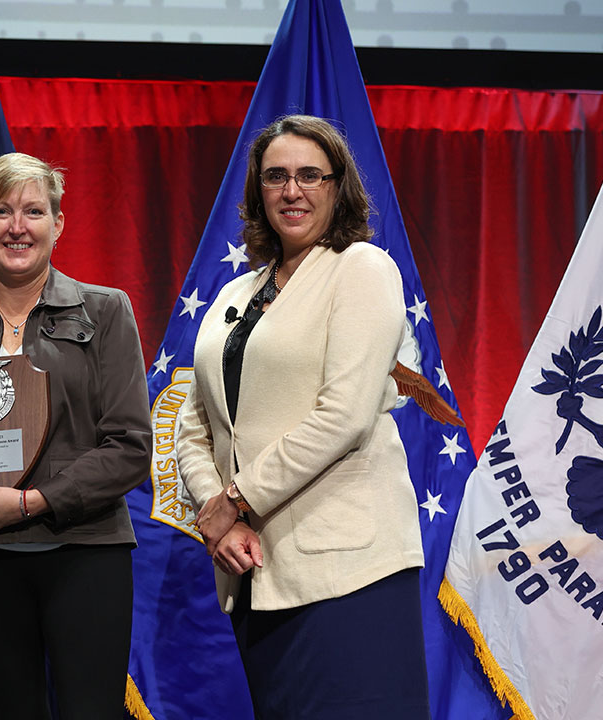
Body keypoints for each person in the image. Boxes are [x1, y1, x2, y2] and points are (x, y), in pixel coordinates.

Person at [176, 115, 431, 719]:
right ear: (258, 193)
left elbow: (342, 416)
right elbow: (196, 423)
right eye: (276, 177)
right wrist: (219, 517)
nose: (292, 191)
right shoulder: (236, 294)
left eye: (310, 175)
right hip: (253, 569)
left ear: (337, 186)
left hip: (348, 571)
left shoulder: (363, 269)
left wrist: (234, 500)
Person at [0, 152, 150, 720]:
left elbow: (131, 447)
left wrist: (33, 502)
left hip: (85, 551)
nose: (17, 226)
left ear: (58, 224)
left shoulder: (106, 311)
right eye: (1, 211)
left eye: (33, 211)